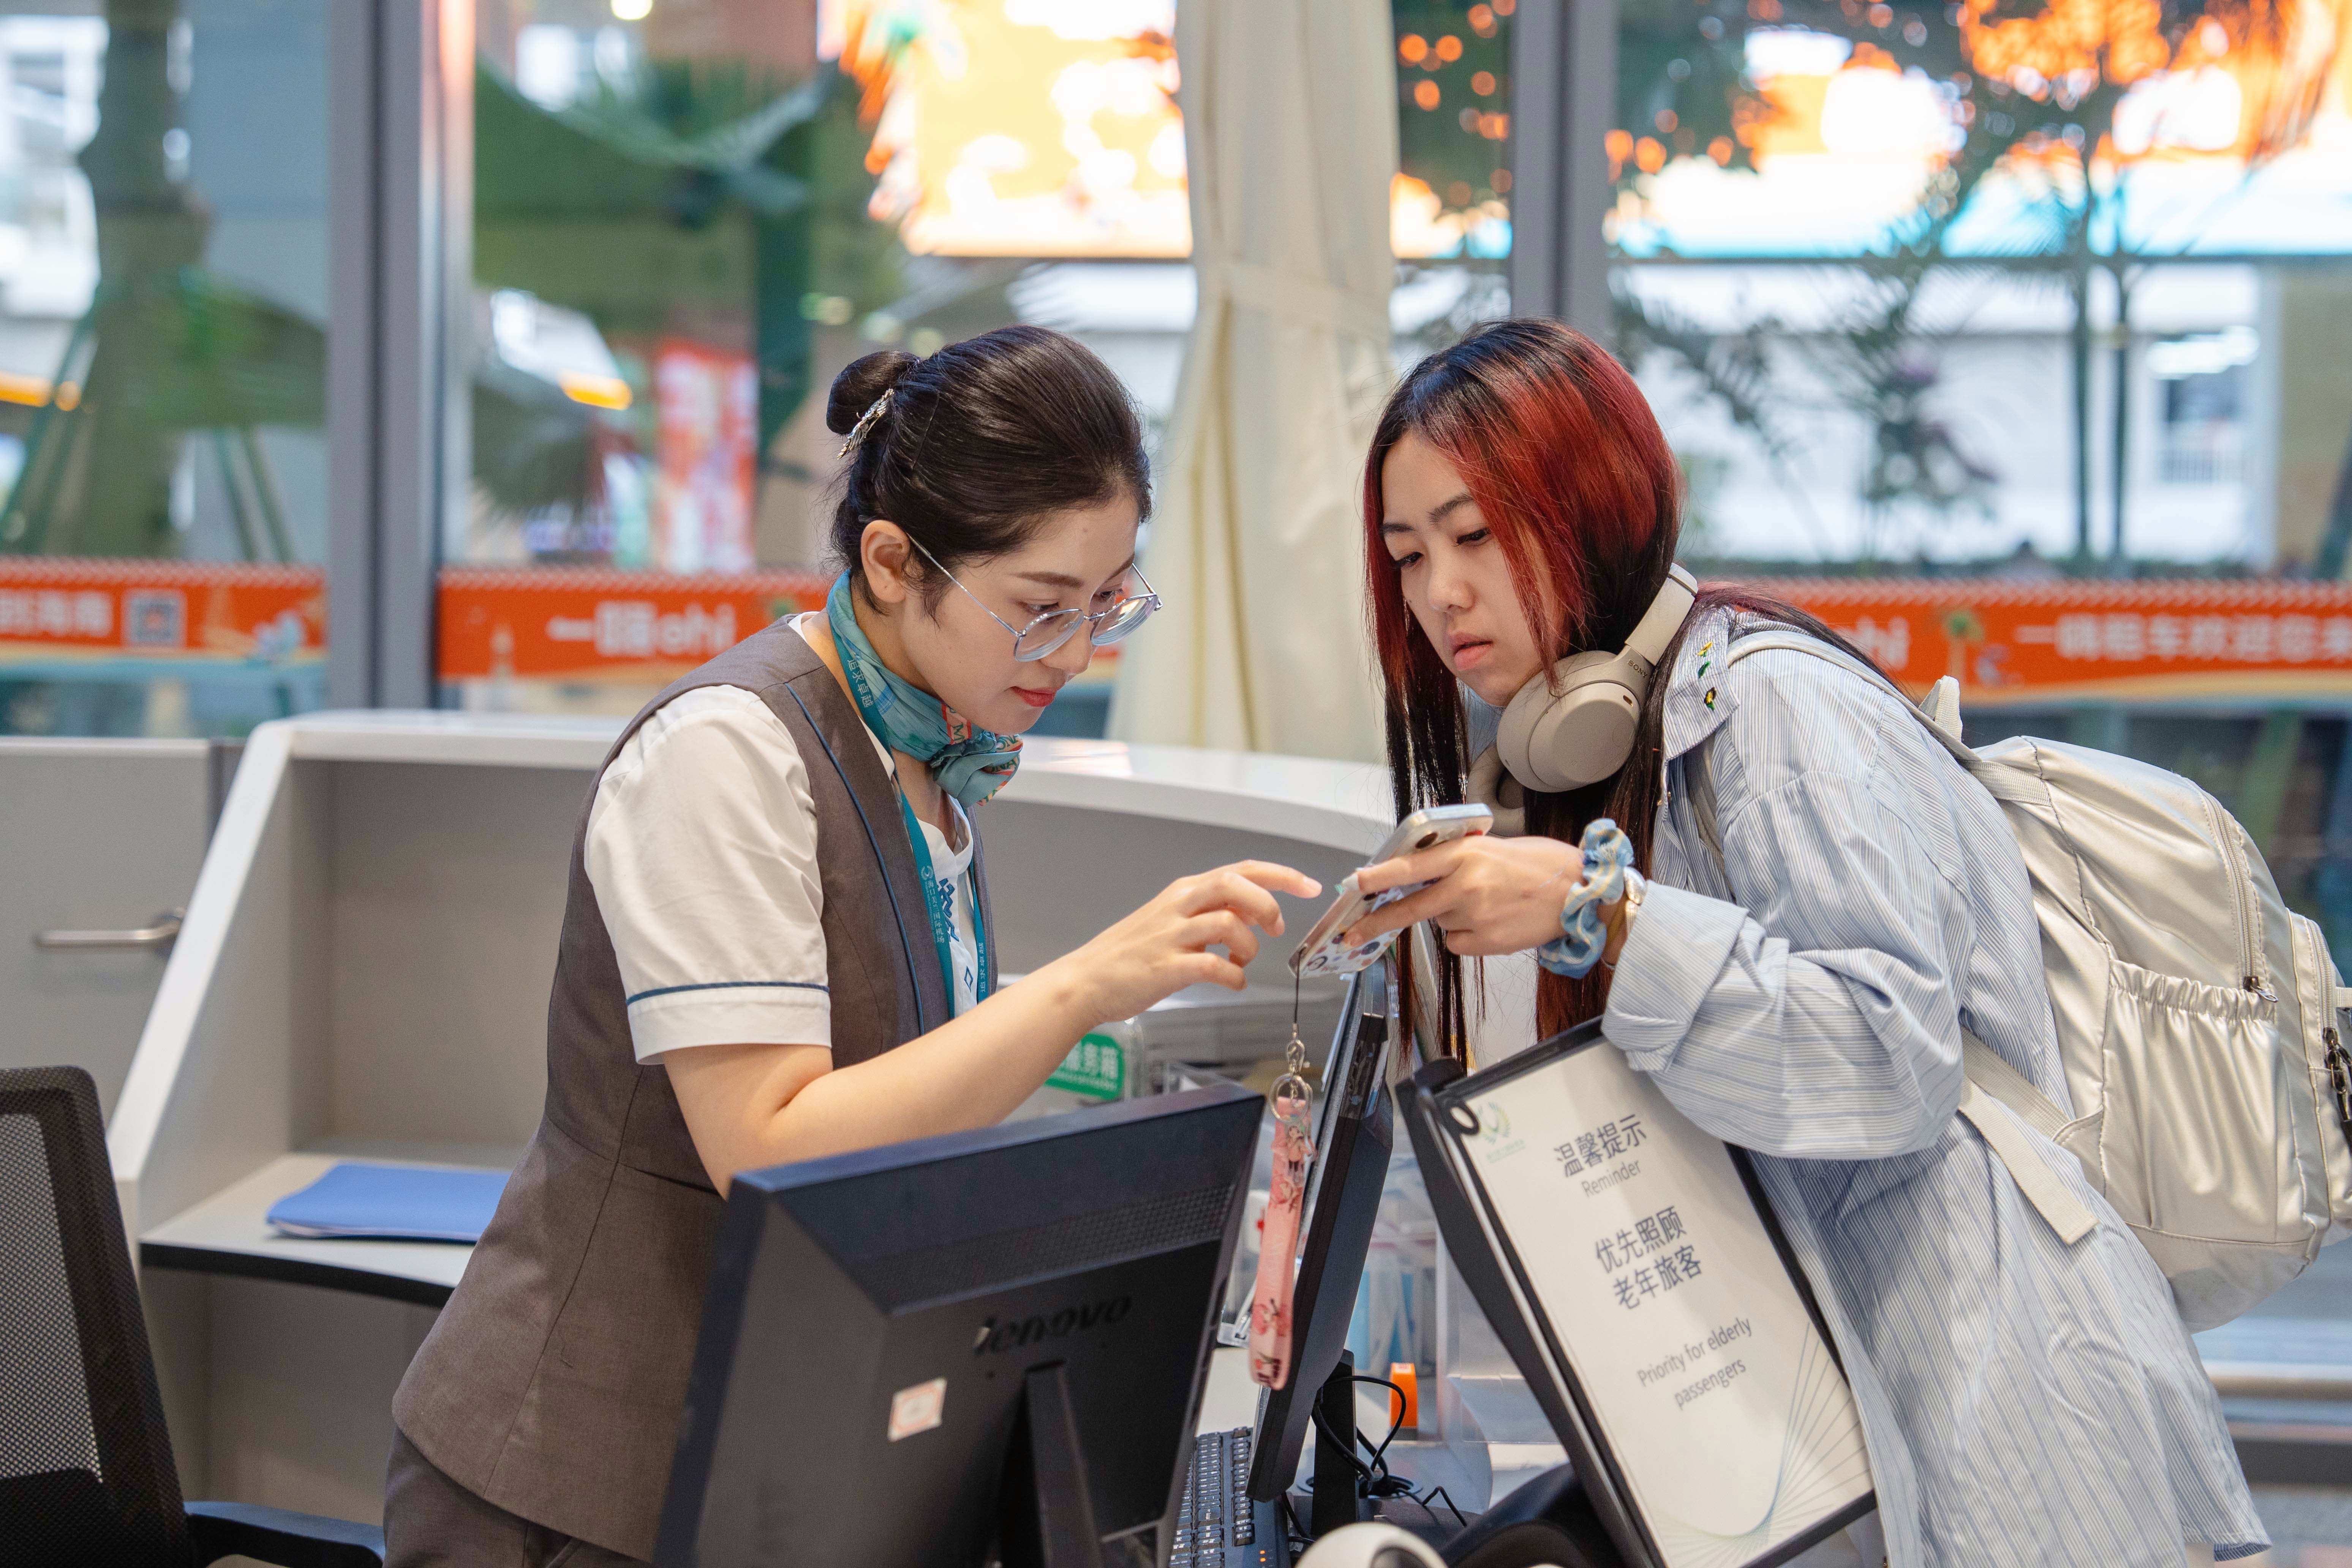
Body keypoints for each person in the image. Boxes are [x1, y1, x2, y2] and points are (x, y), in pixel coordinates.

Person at [383, 326, 1318, 1566]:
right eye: (1040, 608)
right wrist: (1080, 990)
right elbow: (770, 1149)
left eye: (1107, 602)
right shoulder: (727, 753)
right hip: (578, 1482)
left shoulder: (928, 748)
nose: (1080, 651)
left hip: (766, 1453)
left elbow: (900, 1085)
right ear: (891, 562)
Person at [1342, 319, 2265, 1568]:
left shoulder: (1773, 709)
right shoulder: (1611, 752)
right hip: (1879, 1398)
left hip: (2016, 1392)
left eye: (1475, 535)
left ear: (1590, 508)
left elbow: (1893, 1056)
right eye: (1408, 555)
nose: (1439, 592)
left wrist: (1608, 917)